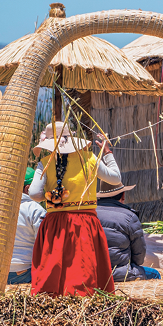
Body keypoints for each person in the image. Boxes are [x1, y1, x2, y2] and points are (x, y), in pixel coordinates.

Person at [28, 122, 122, 296]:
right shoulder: (89, 158)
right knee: (82, 268)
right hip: (85, 223)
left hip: (56, 224)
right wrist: (107, 153)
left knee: (54, 267)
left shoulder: (45, 163)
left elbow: (34, 193)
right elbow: (116, 178)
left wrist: (50, 197)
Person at [96, 183, 160, 282]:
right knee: (155, 274)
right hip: (119, 274)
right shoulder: (130, 217)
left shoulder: (89, 214)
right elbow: (139, 257)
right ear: (123, 195)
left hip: (91, 273)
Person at [8, 167, 46, 284]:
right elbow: (43, 243)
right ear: (28, 188)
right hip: (25, 270)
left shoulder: (2, 207)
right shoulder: (35, 209)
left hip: (1, 269)